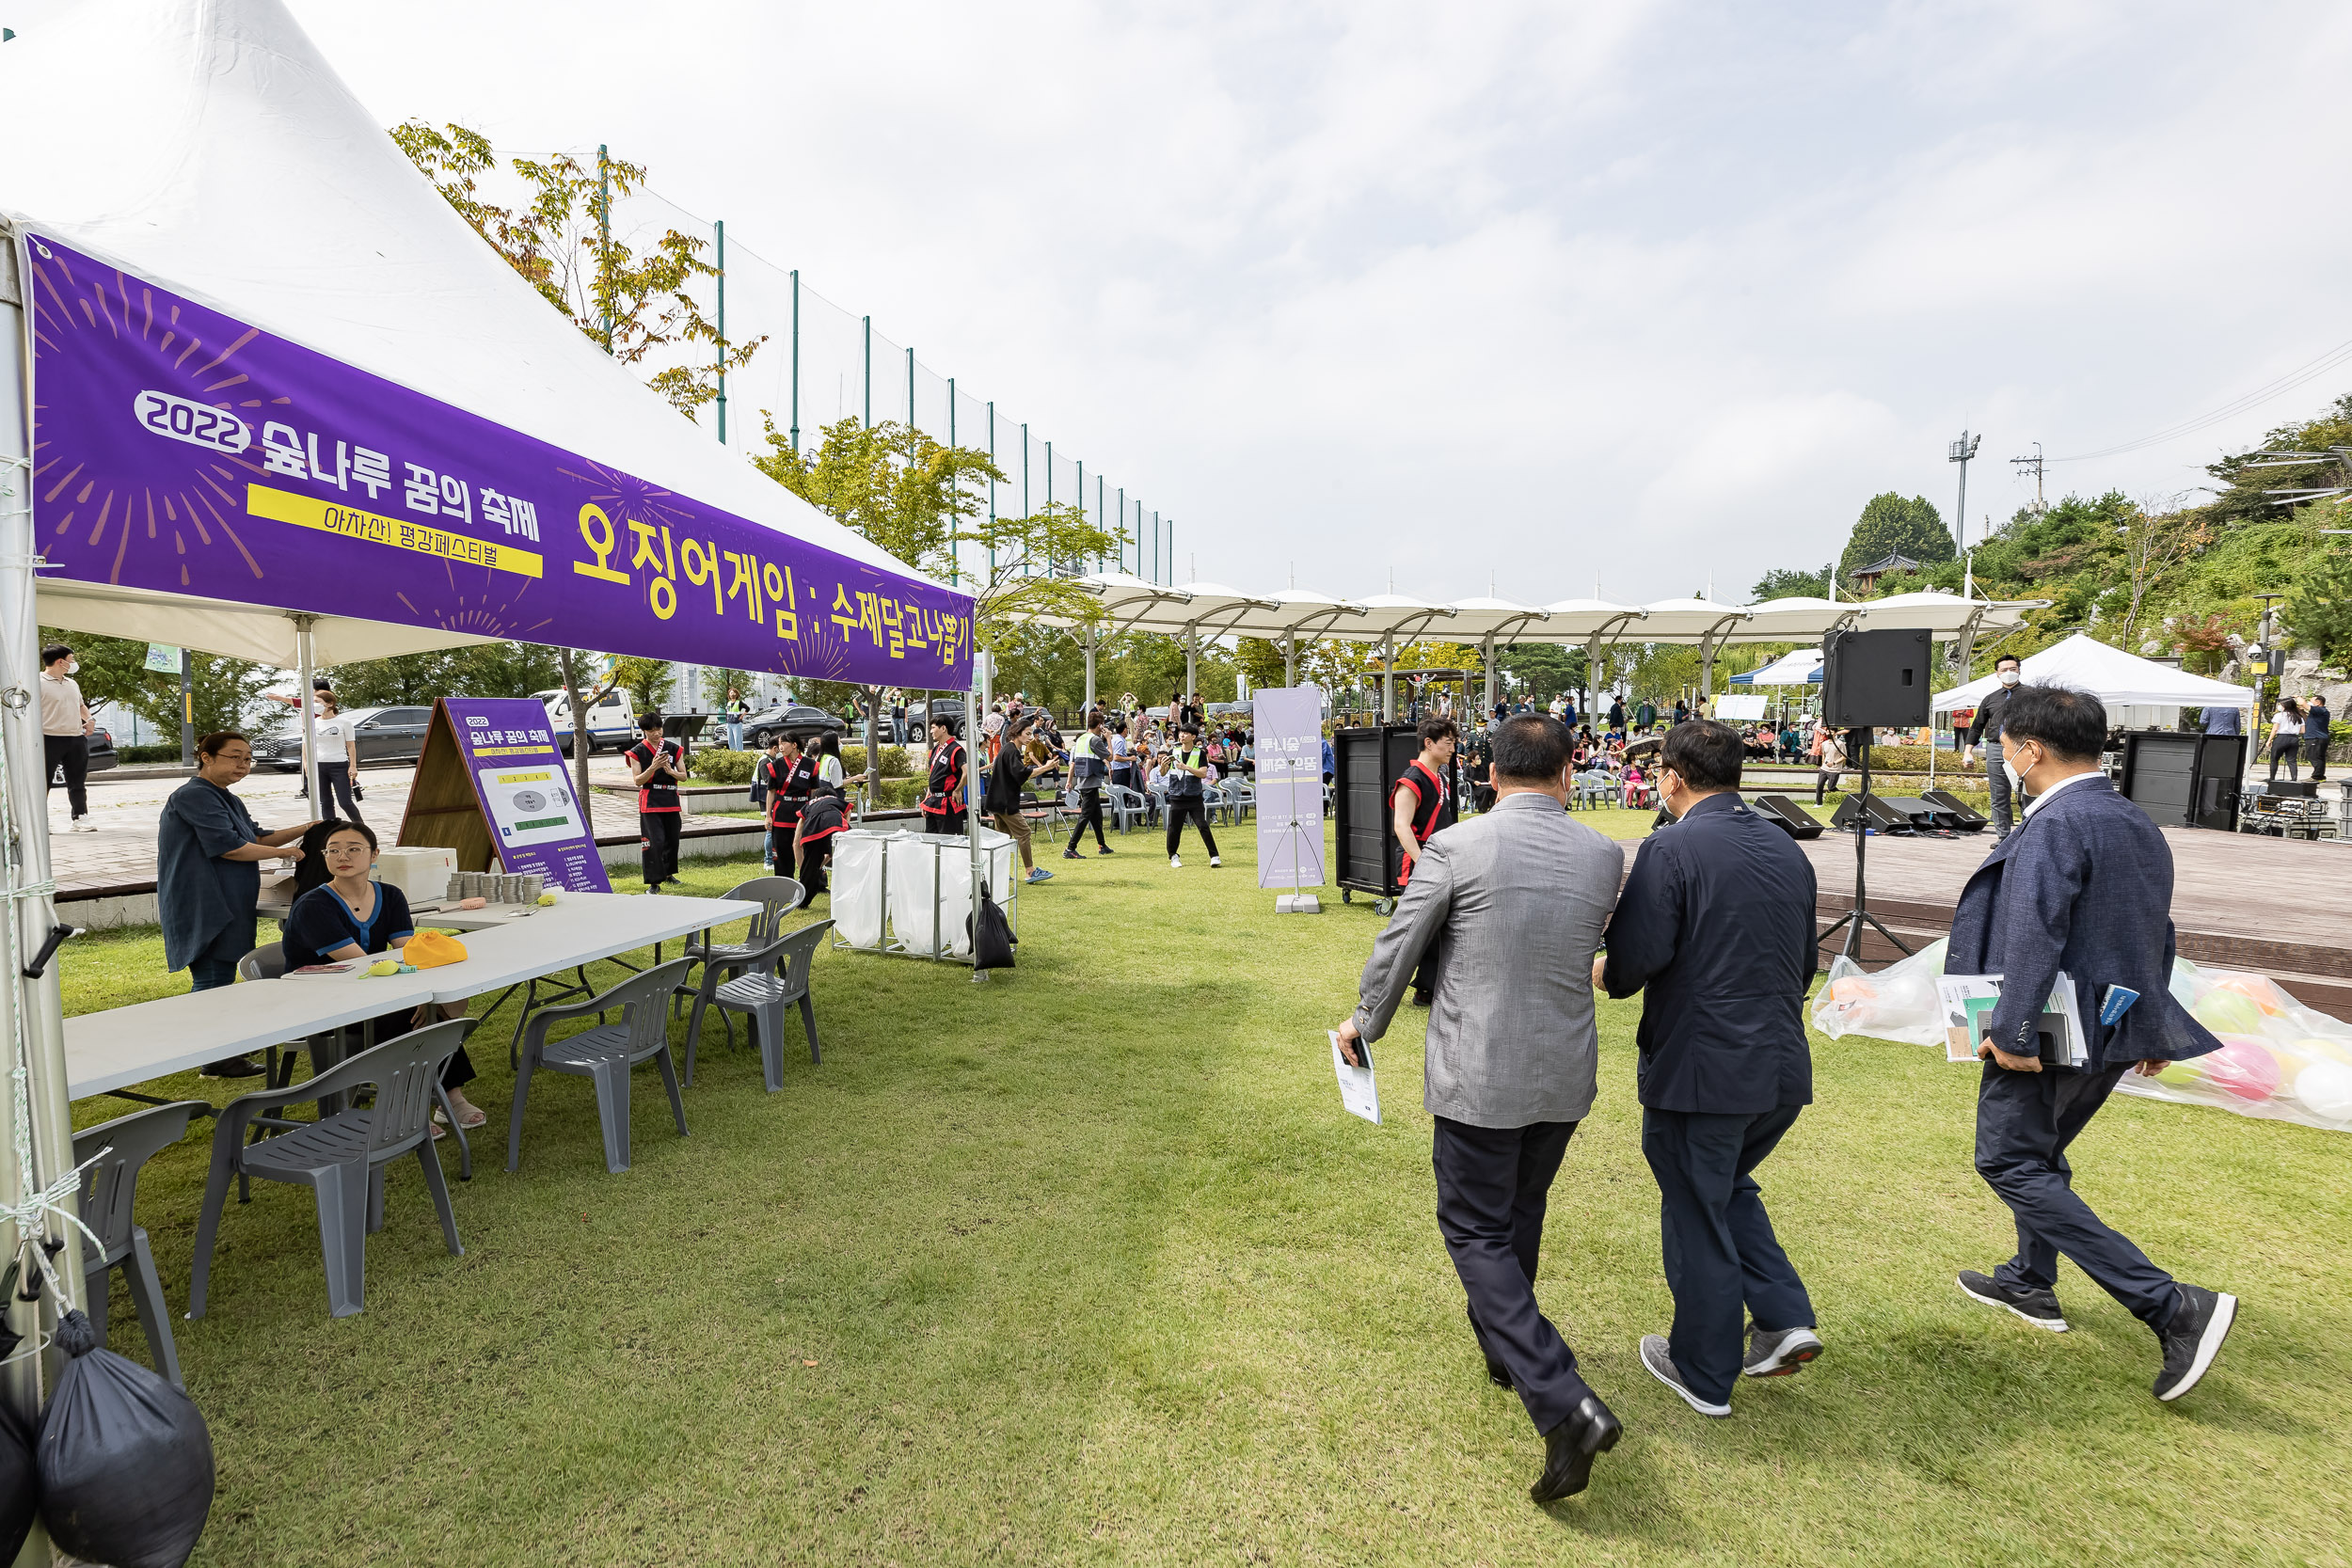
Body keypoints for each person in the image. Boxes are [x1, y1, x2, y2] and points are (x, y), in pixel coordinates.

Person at [1336, 714, 1625, 1501]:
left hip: (1480, 1070)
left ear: (1489, 775)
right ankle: (1507, 1345)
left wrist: (1364, 1021)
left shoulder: (1457, 847)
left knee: (1472, 1225)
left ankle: (1562, 1401)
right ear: (1569, 771)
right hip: (1562, 1071)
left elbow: (1401, 942)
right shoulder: (1603, 854)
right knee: (1518, 1211)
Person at [1946, 682, 2237, 1402]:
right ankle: (2029, 1279)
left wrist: (2010, 1031)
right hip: (2113, 1020)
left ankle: (2171, 1306)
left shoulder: (2056, 824)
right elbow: (2155, 928)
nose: (2003, 754)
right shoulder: (2135, 819)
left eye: (2005, 743)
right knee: (2041, 1153)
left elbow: (2035, 930)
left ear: (2031, 749)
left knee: (2010, 1159)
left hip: (2051, 1024)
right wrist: (2153, 1019)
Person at [1597, 721, 1821, 1418]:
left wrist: (1604, 970)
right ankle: (1784, 1316)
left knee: (1697, 1201)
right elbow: (1805, 961)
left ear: (1672, 776)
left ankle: (1702, 1365)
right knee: (1722, 1186)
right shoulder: (1786, 849)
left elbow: (1633, 962)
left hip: (1704, 1067)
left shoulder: (1671, 846)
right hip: (1779, 1061)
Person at [283, 820, 484, 1131]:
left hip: (375, 989)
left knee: (431, 1013)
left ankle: (450, 1099)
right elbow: (363, 965)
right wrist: (412, 995)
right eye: (332, 850)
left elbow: (406, 953)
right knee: (404, 1016)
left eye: (353, 849)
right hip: (321, 1000)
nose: (342, 856)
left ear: (374, 855)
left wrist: (423, 996)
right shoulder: (314, 905)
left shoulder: (389, 895)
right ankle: (405, 1103)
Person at [156, 730, 315, 1078]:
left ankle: (224, 1050)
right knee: (213, 978)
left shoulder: (226, 797)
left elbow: (256, 837)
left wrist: (308, 827)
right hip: (204, 901)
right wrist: (284, 853)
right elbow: (229, 847)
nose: (242, 765)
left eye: (247, 759)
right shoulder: (194, 795)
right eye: (234, 756)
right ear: (206, 757)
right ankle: (216, 1058)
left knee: (224, 972)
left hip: (231, 899)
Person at [1390, 717, 1458, 1006]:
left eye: (1454, 742)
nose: (1453, 748)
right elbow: (1401, 826)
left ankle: (1428, 987)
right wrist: (1423, 861)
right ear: (1429, 744)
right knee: (1413, 930)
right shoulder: (1412, 778)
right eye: (1448, 742)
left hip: (1438, 860)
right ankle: (1385, 984)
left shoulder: (1440, 777)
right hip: (1417, 862)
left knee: (1439, 928)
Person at [983, 712, 1055, 884]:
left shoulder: (1007, 749)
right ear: (1016, 733)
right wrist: (1046, 767)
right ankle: (1030, 872)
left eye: (1031, 733)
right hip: (1005, 803)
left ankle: (999, 872)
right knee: (1024, 833)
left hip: (997, 802)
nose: (1030, 737)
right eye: (1027, 733)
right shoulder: (1012, 751)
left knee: (1003, 839)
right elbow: (1023, 774)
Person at [1965, 655, 2027, 839]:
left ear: (2019, 670)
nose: (2008, 673)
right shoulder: (1990, 699)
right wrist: (1967, 751)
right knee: (1999, 795)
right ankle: (2003, 837)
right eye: (2004, 670)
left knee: (2027, 793)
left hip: (2023, 748)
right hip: (1995, 748)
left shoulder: (2032, 696)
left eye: (2012, 669)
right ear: (1997, 674)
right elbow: (1977, 726)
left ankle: (2027, 836)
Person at [38, 643, 96, 833]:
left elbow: (80, 705)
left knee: (77, 781)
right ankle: (40, 821)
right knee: (43, 782)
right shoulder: (36, 682)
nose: (74, 663)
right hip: (48, 738)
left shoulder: (72, 684)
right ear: (60, 662)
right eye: (71, 660)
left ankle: (80, 818)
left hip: (75, 738)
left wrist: (89, 719)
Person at [624, 715, 686, 892]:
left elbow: (684, 776)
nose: (656, 733)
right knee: (653, 841)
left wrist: (669, 771)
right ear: (644, 731)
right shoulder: (637, 752)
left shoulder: (674, 749)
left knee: (672, 840)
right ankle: (654, 882)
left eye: (659, 729)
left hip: (671, 799)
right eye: (651, 731)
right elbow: (637, 781)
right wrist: (653, 767)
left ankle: (668, 873)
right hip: (650, 800)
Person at [1162, 721, 1220, 869]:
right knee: (1174, 828)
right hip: (1176, 795)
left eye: (1186, 733)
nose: (1181, 735)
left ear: (1193, 736)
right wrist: (1163, 766)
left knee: (1203, 825)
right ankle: (1173, 856)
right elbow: (1163, 772)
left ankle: (1214, 856)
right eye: (1181, 732)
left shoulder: (1200, 753)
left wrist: (1186, 767)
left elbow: (1203, 773)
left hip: (1194, 795)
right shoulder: (1173, 752)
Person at [1062, 714, 1115, 860]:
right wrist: (1109, 738)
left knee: (1096, 816)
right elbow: (1110, 757)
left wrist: (1070, 780)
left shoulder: (1082, 738)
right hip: (1091, 782)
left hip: (1084, 781)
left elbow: (1073, 762)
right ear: (1100, 725)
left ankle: (1102, 845)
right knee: (1085, 816)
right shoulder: (1095, 740)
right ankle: (1070, 848)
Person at [792, 781, 851, 900]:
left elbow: (796, 843)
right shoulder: (837, 801)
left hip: (811, 833)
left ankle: (802, 902)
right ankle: (851, 895)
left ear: (815, 798)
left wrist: (804, 872)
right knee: (848, 859)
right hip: (835, 826)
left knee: (809, 871)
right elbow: (848, 811)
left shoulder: (808, 805)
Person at [312, 689, 362, 825]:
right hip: (319, 766)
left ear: (329, 704)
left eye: (317, 702)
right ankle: (330, 830)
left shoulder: (344, 722)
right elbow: (306, 746)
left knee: (345, 802)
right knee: (326, 802)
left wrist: (353, 766)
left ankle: (361, 828)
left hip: (339, 765)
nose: (314, 705)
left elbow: (351, 746)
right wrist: (306, 765)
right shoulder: (313, 723)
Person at [921, 717, 968, 835]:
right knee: (930, 842)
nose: (931, 731)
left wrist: (957, 790)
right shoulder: (935, 749)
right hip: (933, 801)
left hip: (948, 804)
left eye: (933, 728)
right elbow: (933, 775)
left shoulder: (956, 750)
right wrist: (927, 798)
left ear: (943, 728)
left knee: (950, 843)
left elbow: (967, 772)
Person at [2264, 698, 2304, 782]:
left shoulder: (2279, 715)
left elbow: (2275, 729)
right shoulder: (2298, 716)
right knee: (2292, 760)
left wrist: (2269, 740)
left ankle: (2272, 778)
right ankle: (2294, 778)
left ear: (2285, 706)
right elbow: (2303, 731)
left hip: (2282, 737)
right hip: (2294, 738)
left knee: (2274, 758)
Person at [1813, 726, 1847, 805]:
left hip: (1835, 770)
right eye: (1827, 732)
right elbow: (1824, 755)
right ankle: (1818, 803)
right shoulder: (1824, 744)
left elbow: (1844, 756)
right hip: (1824, 769)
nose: (1828, 733)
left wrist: (1834, 763)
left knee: (1831, 787)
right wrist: (1823, 764)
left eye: (1831, 732)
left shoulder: (1840, 744)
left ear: (1835, 733)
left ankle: (1843, 797)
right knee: (1819, 786)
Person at [2301, 693, 2331, 782]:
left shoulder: (2321, 710)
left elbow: (2303, 704)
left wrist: (2297, 697)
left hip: (2317, 737)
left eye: (2311, 701)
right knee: (2315, 756)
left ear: (2318, 702)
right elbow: (2308, 720)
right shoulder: (2316, 712)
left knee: (2315, 757)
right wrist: (2302, 712)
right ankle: (2319, 775)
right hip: (2313, 737)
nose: (2310, 703)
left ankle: (2317, 776)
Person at [724, 688, 747, 752]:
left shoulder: (739, 703)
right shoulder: (728, 703)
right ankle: (733, 754)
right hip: (729, 723)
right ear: (729, 695)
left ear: (736, 694)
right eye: (731, 693)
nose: (732, 694)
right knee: (730, 740)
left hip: (737, 723)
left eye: (734, 693)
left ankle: (739, 753)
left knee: (738, 740)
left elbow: (747, 708)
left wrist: (742, 715)